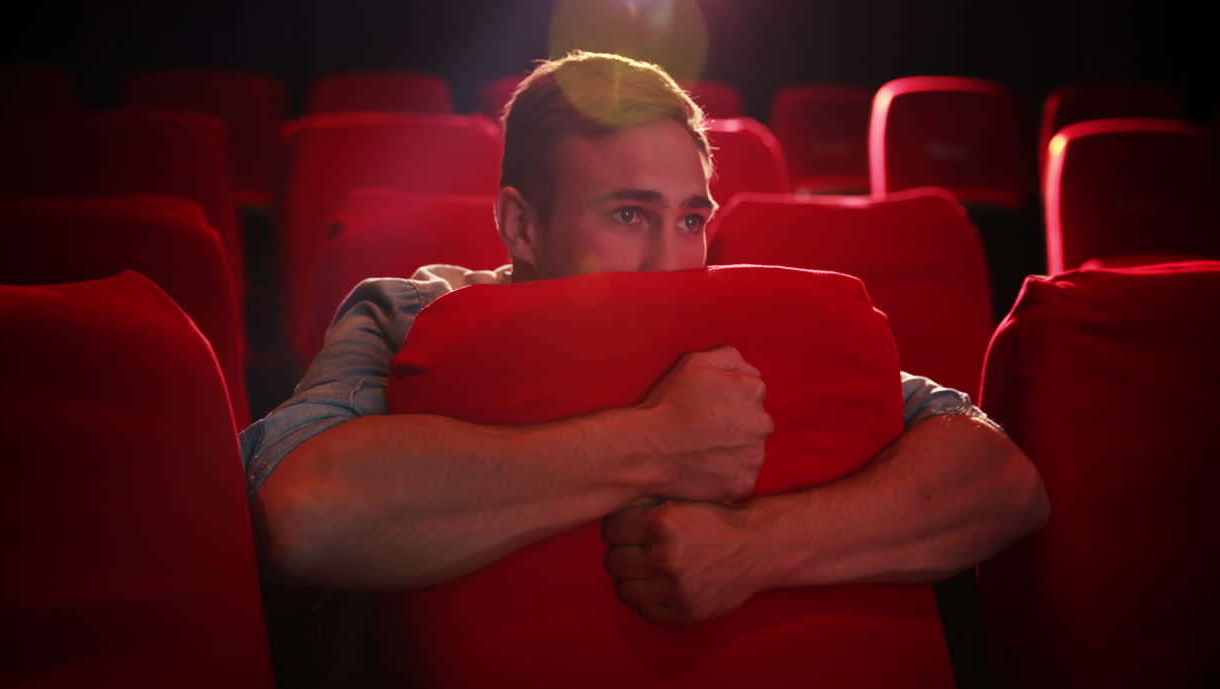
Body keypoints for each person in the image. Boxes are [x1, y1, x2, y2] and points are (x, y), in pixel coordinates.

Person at [241, 52, 1048, 629]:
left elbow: (1002, 482)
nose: (671, 261)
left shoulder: (734, 317)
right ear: (521, 225)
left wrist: (759, 547)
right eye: (629, 215)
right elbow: (304, 514)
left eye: (691, 220)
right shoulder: (409, 313)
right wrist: (654, 445)